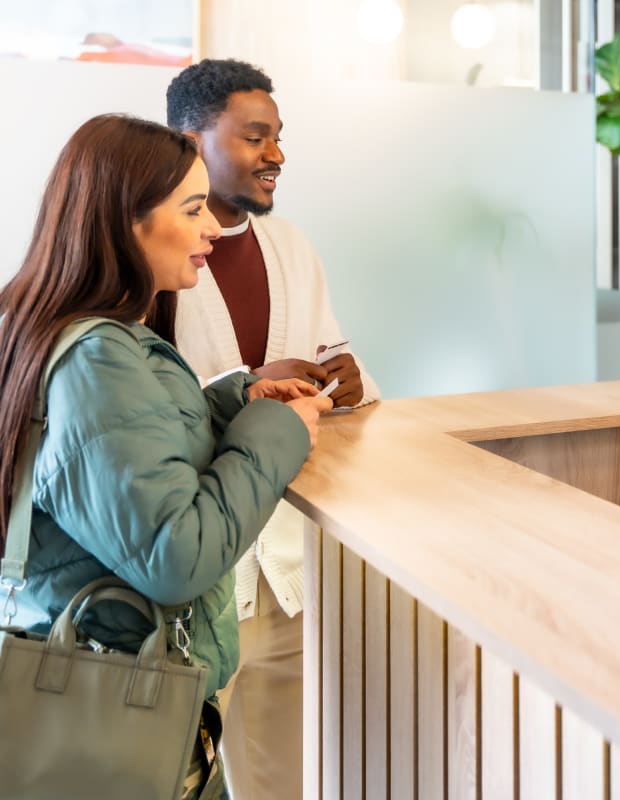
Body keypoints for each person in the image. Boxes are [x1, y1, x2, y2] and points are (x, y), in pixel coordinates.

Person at [0, 114, 333, 799]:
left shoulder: (70, 333)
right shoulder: (98, 358)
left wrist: (236, 398)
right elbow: (174, 554)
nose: (213, 225)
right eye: (191, 209)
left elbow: (123, 457)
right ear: (127, 222)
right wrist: (275, 429)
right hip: (120, 714)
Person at [166, 59, 379, 799]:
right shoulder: (152, 258)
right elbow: (138, 405)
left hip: (286, 566)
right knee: (169, 774)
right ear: (191, 139)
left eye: (279, 137)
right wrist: (250, 389)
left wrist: (347, 377)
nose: (277, 155)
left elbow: (329, 360)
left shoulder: (289, 246)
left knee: (281, 778)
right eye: (255, 136)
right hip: (193, 578)